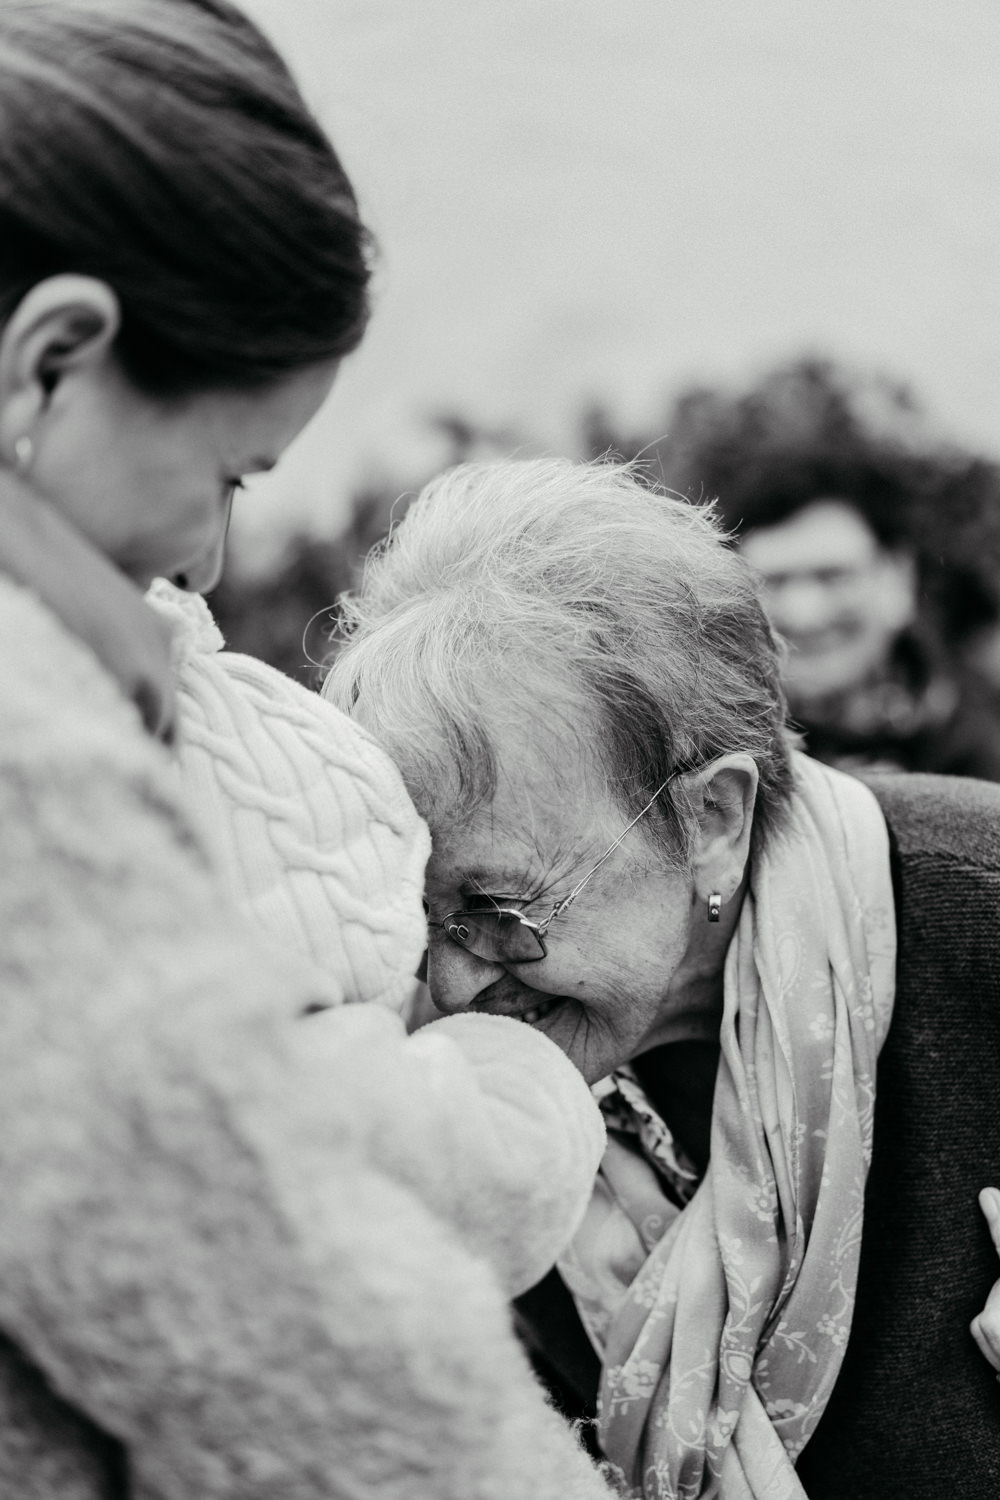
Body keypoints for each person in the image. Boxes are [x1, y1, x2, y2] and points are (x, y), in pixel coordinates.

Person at [0, 6, 617, 1496]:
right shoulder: (30, 760)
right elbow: (288, 1326)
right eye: (225, 472)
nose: (208, 560)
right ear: (52, 364)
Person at [325, 454, 1000, 1500]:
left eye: (498, 913)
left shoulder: (979, 919)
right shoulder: (481, 1119)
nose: (454, 988)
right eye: (420, 918)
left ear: (711, 820)